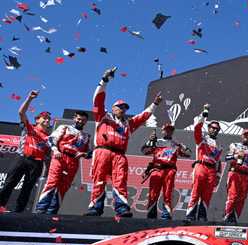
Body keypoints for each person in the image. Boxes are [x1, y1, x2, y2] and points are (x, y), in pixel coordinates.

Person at [85, 67, 162, 217]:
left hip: (120, 155)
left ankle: (121, 209)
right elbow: (98, 99)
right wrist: (104, 80)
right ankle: (95, 208)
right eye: (120, 107)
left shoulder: (128, 124)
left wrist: (155, 104)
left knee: (120, 181)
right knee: (99, 179)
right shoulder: (102, 116)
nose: (123, 110)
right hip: (102, 150)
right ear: (113, 108)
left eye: (125, 108)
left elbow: (143, 116)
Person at [0, 90, 51, 212]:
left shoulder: (49, 138)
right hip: (22, 158)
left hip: (37, 164)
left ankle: (19, 212)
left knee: (27, 189)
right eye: (44, 118)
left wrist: (47, 168)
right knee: (9, 183)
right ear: (37, 119)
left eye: (49, 119)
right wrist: (29, 98)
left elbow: (48, 156)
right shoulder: (29, 127)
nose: (47, 120)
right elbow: (21, 112)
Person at [35, 111, 91, 214]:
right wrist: (55, 150)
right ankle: (41, 209)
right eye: (78, 119)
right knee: (52, 182)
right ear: (74, 118)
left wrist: (83, 154)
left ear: (86, 122)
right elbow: (51, 139)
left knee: (64, 186)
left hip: (74, 161)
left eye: (83, 120)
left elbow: (89, 153)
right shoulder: (64, 127)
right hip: (60, 156)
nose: (80, 121)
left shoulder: (86, 136)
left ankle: (52, 211)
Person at [141, 123, 191, 220]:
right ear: (162, 131)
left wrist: (180, 144)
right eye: (166, 129)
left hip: (169, 170)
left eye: (170, 130)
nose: (168, 131)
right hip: (156, 169)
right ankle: (151, 216)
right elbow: (144, 151)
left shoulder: (175, 145)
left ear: (172, 132)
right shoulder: (156, 142)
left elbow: (188, 153)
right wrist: (150, 141)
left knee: (168, 193)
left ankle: (166, 216)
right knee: (153, 194)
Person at [186, 104, 223, 222]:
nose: (214, 129)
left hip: (212, 170)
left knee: (207, 195)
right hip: (201, 166)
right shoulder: (202, 139)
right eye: (212, 127)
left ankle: (202, 216)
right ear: (208, 128)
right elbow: (197, 128)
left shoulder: (219, 145)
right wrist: (204, 113)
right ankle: (190, 216)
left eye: (216, 128)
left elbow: (218, 162)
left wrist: (217, 176)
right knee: (196, 191)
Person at [223, 128, 248, 223]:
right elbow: (227, 158)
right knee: (233, 197)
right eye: (245, 135)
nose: (247, 137)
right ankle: (226, 217)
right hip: (235, 173)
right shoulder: (234, 145)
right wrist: (236, 156)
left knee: (242, 198)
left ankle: (234, 218)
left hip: (246, 176)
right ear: (242, 135)